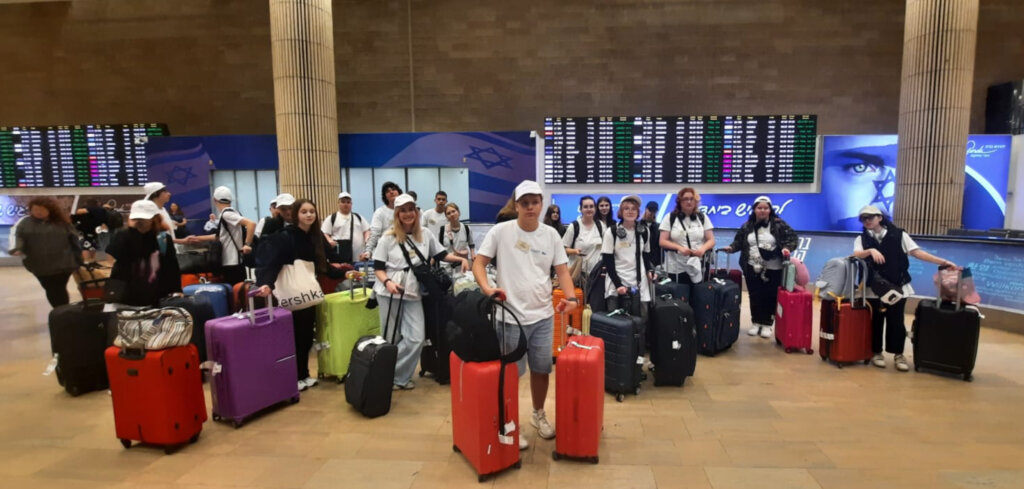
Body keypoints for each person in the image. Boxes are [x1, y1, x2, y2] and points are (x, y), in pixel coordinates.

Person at [474, 180, 575, 450]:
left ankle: (538, 414)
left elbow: (562, 270)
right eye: (525, 203)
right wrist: (487, 288)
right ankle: (509, 422)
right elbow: (479, 263)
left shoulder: (551, 235)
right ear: (516, 205)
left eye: (535, 202)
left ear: (541, 204)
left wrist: (572, 298)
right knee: (510, 375)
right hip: (509, 318)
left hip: (543, 316)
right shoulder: (501, 232)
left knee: (542, 369)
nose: (530, 207)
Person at [372, 194, 469, 390]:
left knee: (416, 337)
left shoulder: (425, 233)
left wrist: (461, 259)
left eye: (411, 209)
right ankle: (389, 376)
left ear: (416, 212)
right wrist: (388, 282)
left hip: (413, 290)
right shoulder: (388, 237)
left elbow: (441, 254)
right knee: (391, 337)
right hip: (389, 291)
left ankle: (391, 373)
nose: (408, 214)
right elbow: (378, 267)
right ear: (397, 214)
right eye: (403, 211)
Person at [254, 199, 348, 391]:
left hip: (306, 294)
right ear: (296, 214)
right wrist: (267, 283)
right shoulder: (285, 236)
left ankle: (304, 374)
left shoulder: (315, 237)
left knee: (305, 336)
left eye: (312, 211)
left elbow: (324, 266)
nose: (309, 215)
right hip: (290, 294)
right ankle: (293, 376)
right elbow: (271, 262)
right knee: (292, 336)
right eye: (304, 211)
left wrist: (344, 272)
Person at [851, 205, 957, 372]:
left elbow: (917, 252)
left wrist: (943, 262)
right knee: (875, 321)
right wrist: (870, 250)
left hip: (897, 286)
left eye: (870, 217)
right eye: (863, 218)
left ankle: (898, 354)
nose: (867, 221)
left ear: (880, 217)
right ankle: (876, 352)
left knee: (896, 321)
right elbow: (856, 254)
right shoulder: (862, 238)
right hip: (873, 287)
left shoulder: (899, 234)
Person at [722, 196, 799, 338]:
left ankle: (768, 324)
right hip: (751, 266)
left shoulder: (779, 224)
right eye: (759, 208)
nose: (762, 210)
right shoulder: (747, 226)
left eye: (765, 208)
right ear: (754, 210)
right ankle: (756, 322)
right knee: (754, 295)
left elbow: (793, 238)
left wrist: (787, 248)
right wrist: (731, 248)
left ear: (770, 210)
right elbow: (738, 242)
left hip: (773, 267)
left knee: (770, 296)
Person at [105, 200, 182, 307]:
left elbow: (172, 265)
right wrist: (132, 231)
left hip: (155, 294)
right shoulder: (124, 235)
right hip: (125, 295)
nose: (142, 221)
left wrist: (177, 289)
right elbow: (115, 254)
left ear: (155, 218)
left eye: (146, 218)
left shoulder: (163, 238)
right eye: (138, 218)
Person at [8, 197, 81, 308]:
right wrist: (17, 248)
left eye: (42, 209)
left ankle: (61, 312)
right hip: (39, 265)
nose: (38, 212)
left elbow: (74, 240)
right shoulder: (24, 223)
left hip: (64, 263)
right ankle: (62, 312)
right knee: (51, 288)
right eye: (35, 209)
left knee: (58, 288)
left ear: (50, 210)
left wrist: (78, 258)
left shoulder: (62, 223)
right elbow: (17, 236)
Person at [187, 186, 256, 285]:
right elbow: (220, 236)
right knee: (237, 294)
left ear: (215, 200)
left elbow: (251, 224)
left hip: (231, 263)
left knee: (233, 296)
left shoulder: (226, 215)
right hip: (235, 262)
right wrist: (197, 238)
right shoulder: (233, 212)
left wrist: (247, 244)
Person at [601, 195, 654, 320]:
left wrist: (650, 271)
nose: (630, 211)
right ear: (621, 211)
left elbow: (645, 255)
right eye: (626, 208)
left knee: (641, 322)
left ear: (638, 212)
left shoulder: (644, 231)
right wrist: (618, 284)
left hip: (640, 283)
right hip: (616, 283)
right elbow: (608, 261)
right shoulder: (612, 232)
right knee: (616, 323)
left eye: (633, 209)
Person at [659, 187, 715, 284]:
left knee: (699, 296)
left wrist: (702, 249)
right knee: (679, 297)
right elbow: (662, 241)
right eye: (685, 199)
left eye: (691, 199)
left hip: (698, 265)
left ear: (696, 201)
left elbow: (711, 240)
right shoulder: (670, 217)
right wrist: (679, 248)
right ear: (679, 202)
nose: (689, 202)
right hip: (676, 266)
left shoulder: (702, 217)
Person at [562, 195, 605, 279]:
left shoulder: (600, 225)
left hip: (596, 274)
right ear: (580, 209)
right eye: (585, 207)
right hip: (577, 274)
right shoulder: (574, 226)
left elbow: (606, 247)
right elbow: (563, 249)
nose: (589, 209)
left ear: (595, 209)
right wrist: (574, 251)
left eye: (591, 206)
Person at [322, 192, 371, 263]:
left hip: (358, 257)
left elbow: (367, 230)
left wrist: (367, 240)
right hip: (339, 256)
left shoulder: (358, 217)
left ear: (351, 204)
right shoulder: (332, 218)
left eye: (348, 202)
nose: (346, 204)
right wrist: (329, 240)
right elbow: (324, 233)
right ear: (338, 203)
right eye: (343, 202)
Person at [364, 181, 403, 258]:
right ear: (385, 196)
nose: (391, 192)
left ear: (399, 192)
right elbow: (374, 233)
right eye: (387, 191)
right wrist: (368, 251)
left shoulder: (407, 211)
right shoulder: (380, 212)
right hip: (386, 253)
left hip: (404, 251)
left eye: (393, 189)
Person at [438, 202, 474, 266]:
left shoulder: (466, 228)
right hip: (446, 266)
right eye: (448, 213)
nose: (452, 214)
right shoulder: (442, 230)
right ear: (446, 217)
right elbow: (438, 249)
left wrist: (472, 256)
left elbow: (471, 244)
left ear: (459, 212)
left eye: (453, 211)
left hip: (462, 265)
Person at [642, 201, 662, 267]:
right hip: (641, 260)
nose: (651, 213)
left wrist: (660, 263)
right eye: (650, 210)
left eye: (654, 211)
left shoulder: (659, 227)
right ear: (646, 209)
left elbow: (659, 247)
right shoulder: (637, 225)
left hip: (654, 261)